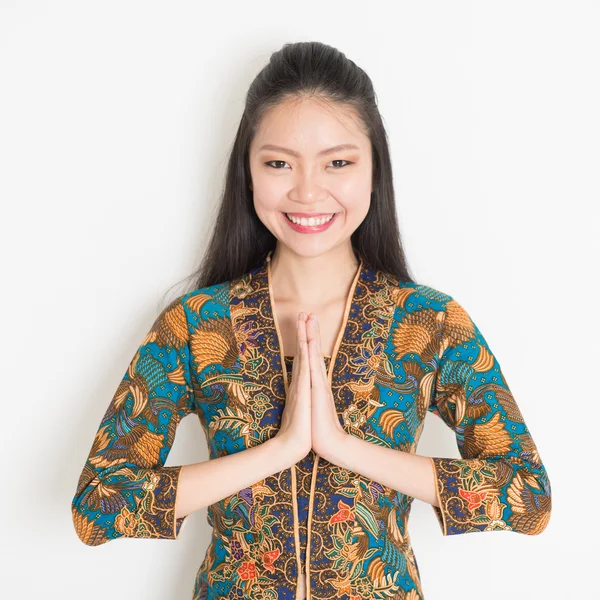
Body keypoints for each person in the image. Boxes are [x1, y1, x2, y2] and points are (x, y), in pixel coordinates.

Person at [71, 41, 552, 600]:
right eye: (278, 163)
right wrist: (279, 450)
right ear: (247, 172)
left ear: (375, 171)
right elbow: (98, 506)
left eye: (338, 162)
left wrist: (343, 447)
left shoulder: (432, 322)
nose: (306, 191)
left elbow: (528, 496)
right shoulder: (198, 325)